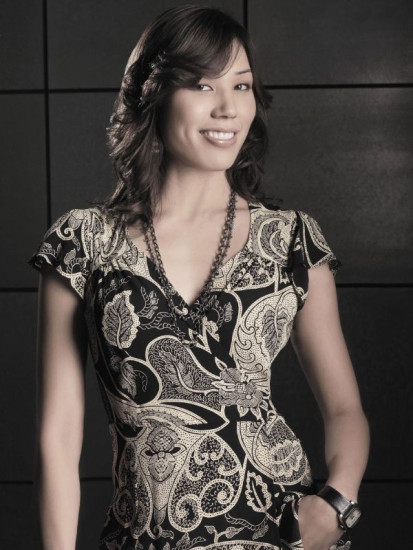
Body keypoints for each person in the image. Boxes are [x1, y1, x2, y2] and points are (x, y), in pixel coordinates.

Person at [27, 5, 370, 550]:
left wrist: (337, 503)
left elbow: (345, 409)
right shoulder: (83, 243)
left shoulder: (289, 240)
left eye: (242, 85)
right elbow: (58, 438)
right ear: (154, 94)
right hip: (143, 536)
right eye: (203, 85)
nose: (228, 107)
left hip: (280, 532)